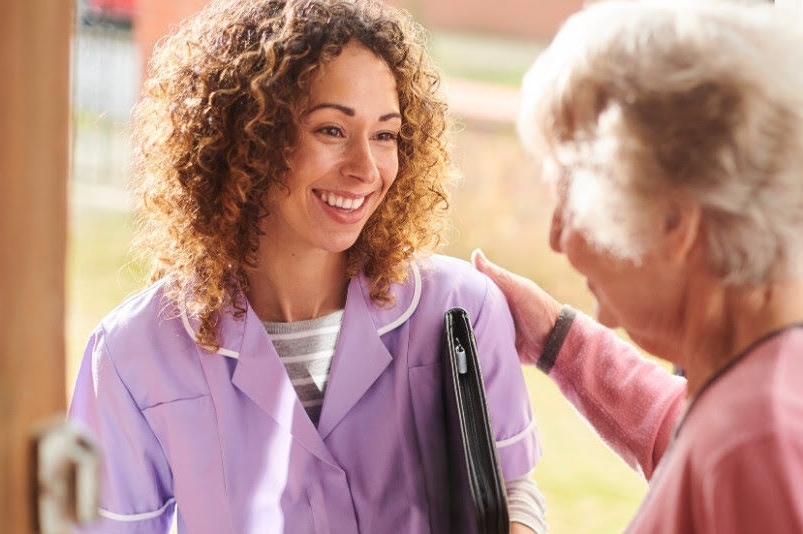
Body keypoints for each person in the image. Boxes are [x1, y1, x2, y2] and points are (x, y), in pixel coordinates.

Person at [471, 1, 803, 532]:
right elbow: (698, 443)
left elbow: (744, 457)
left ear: (675, 220)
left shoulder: (773, 448)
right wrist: (555, 337)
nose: (557, 238)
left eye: (573, 195)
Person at [67, 1, 544, 532]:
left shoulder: (461, 310)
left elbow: (511, 493)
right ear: (250, 137)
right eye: (331, 131)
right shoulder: (134, 354)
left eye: (385, 135)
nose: (366, 169)